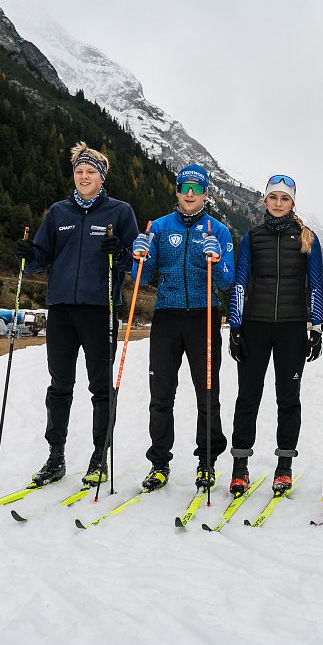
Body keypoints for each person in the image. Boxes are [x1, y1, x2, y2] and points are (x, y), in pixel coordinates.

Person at [18, 142, 138, 487]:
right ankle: (55, 457)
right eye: (79, 172)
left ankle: (99, 457)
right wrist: (29, 254)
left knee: (101, 387)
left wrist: (124, 252)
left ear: (102, 177)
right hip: (60, 309)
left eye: (91, 172)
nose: (84, 177)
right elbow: (41, 256)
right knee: (60, 385)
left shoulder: (119, 212)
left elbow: (136, 261)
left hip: (100, 309)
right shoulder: (58, 212)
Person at [130, 164, 235, 491]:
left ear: (205, 193)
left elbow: (227, 281)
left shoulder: (218, 229)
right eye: (184, 187)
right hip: (167, 316)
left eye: (197, 188)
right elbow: (140, 281)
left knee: (207, 393)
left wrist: (216, 261)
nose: (190, 193)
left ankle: (207, 461)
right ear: (177, 191)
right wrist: (140, 258)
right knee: (161, 394)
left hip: (203, 316)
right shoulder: (159, 228)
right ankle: (159, 463)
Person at [225, 174, 323, 496]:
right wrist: (236, 327)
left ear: (293, 203)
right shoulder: (253, 237)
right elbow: (240, 282)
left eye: (285, 198)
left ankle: (284, 467)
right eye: (273, 198)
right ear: (265, 201)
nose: (278, 203)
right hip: (255, 325)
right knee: (248, 397)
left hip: (293, 328)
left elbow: (315, 286)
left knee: (288, 399)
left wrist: (316, 326)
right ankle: (240, 467)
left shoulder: (307, 237)